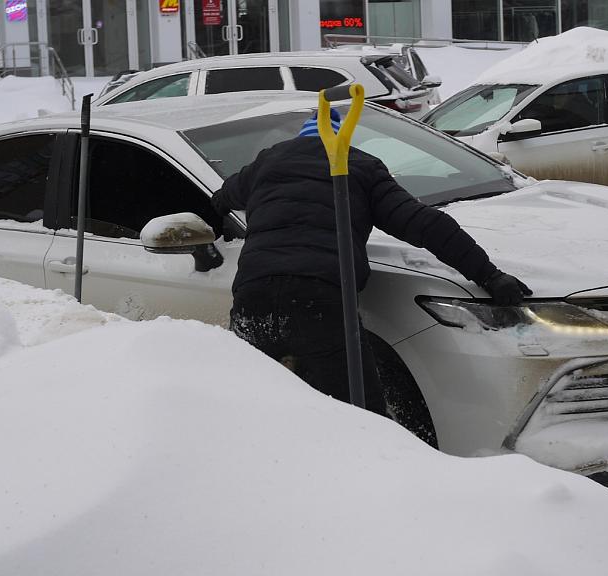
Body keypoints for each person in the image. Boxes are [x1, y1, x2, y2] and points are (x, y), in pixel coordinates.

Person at [211, 108, 531, 417]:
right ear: (342, 139)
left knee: (250, 408)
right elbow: (426, 225)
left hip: (253, 298)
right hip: (317, 301)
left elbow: (222, 199)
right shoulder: (360, 166)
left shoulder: (268, 161)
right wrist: (489, 275)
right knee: (360, 416)